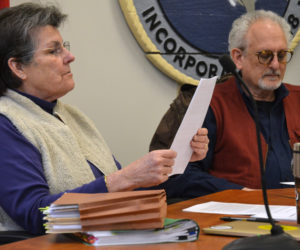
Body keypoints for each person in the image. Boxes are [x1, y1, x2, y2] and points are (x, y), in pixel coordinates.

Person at [0, 3, 209, 235]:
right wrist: (125, 177)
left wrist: (177, 162)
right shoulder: (5, 123)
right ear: (18, 67)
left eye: (64, 47)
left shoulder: (72, 116)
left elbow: (121, 193)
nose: (70, 57)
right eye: (53, 51)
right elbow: (35, 215)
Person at [150, 10, 300, 198]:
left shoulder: (297, 99)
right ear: (238, 57)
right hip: (230, 218)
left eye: (282, 55)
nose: (276, 65)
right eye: (265, 55)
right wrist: (241, 194)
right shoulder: (207, 103)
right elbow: (172, 176)